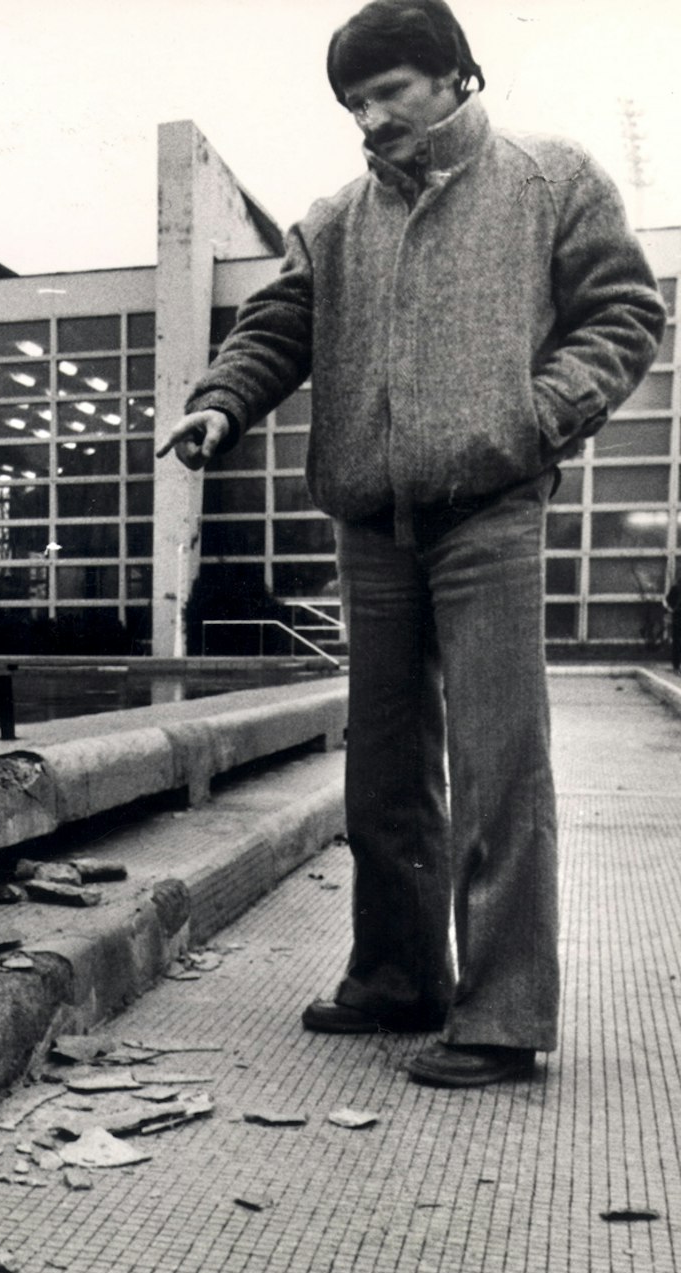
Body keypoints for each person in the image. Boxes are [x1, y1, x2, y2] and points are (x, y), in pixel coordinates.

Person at [157, 0, 665, 1087]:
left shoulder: (549, 178)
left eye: (387, 92)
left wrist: (529, 419)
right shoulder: (336, 217)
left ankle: (502, 1015)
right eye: (352, 102)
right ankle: (396, 978)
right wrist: (220, 405)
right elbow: (275, 326)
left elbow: (622, 315)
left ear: (453, 78)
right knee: (382, 768)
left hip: (488, 509)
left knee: (497, 764)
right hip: (370, 521)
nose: (368, 119)